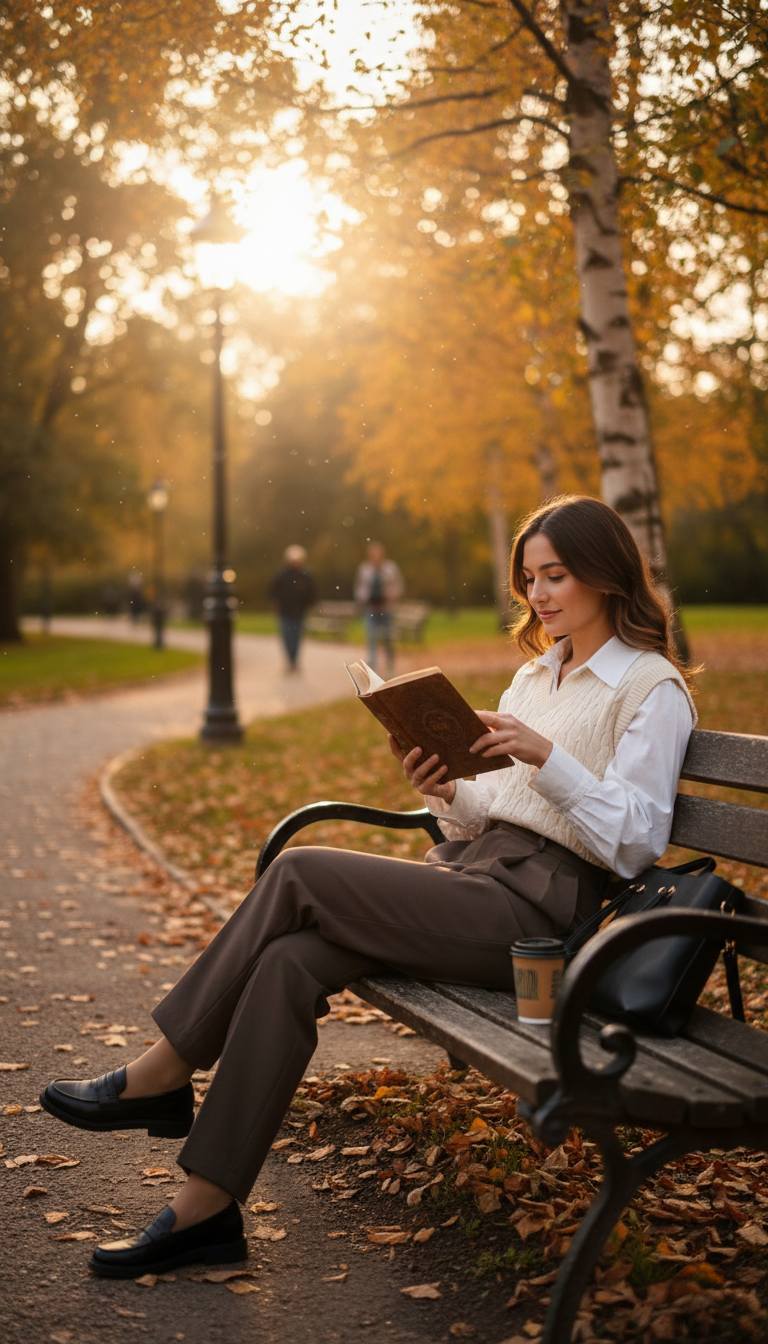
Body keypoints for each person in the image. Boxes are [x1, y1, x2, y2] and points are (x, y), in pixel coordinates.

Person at [40, 495, 697, 1279]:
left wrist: (550, 758)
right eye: (530, 579)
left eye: (556, 575)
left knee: (301, 868)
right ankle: (203, 1211)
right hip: (476, 878)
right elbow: (484, 819)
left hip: (542, 920)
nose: (541, 595)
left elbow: (635, 842)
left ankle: (160, 1074)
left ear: (604, 572)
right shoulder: (536, 674)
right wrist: (443, 788)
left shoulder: (650, 687)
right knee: (290, 962)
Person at [354, 541, 405, 676]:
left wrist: (389, 595)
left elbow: (399, 587)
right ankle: (373, 666)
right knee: (371, 637)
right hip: (371, 609)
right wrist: (365, 597)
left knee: (388, 638)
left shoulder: (391, 568)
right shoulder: (364, 570)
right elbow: (359, 589)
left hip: (387, 608)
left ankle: (390, 664)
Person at [268, 545, 318, 674]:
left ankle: (294, 661)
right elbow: (274, 591)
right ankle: (290, 661)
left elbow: (311, 592)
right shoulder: (282, 575)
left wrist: (311, 603)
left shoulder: (305, 575)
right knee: (287, 637)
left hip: (300, 612)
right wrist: (276, 604)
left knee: (297, 638)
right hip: (285, 612)